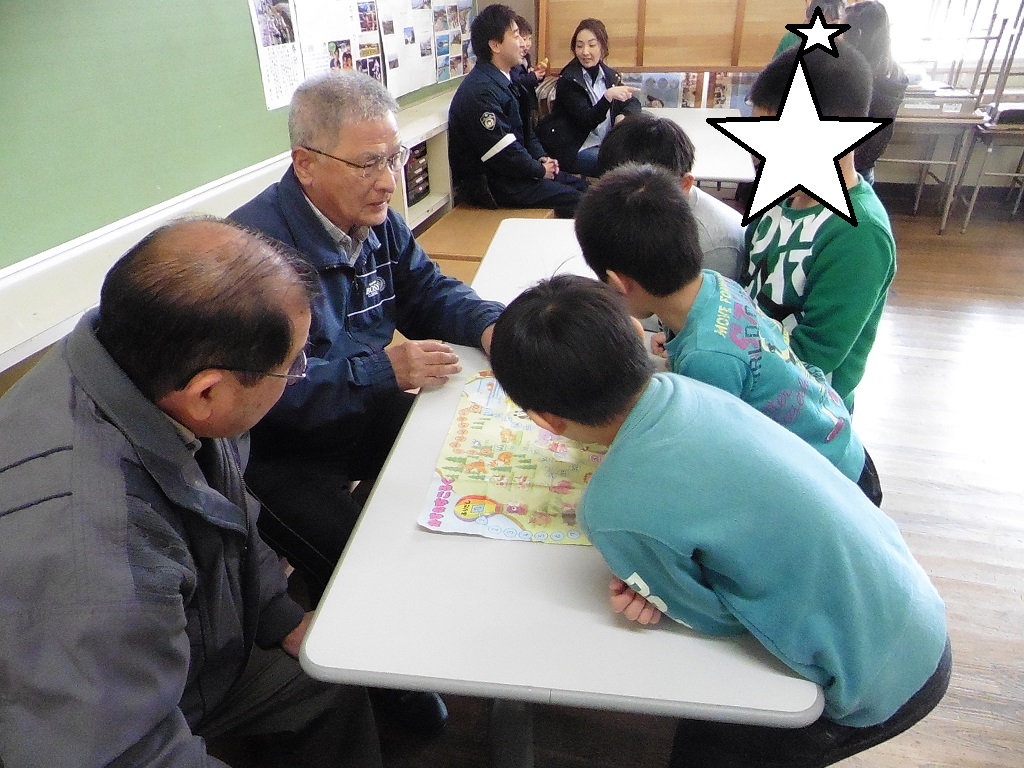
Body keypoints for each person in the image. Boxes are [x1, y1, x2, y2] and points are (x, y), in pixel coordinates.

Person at [489, 274, 950, 768]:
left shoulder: (610, 510)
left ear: (545, 420)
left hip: (877, 684)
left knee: (710, 749)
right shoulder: (687, 385)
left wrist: (660, 594)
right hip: (915, 605)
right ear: (634, 332)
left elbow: (712, 618)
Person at [0, 218, 383, 767]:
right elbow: (117, 753)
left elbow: (231, 514)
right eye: (293, 366)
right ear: (207, 393)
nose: (297, 375)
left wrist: (279, 616)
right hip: (115, 715)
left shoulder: (145, 362)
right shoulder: (86, 547)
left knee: (328, 683)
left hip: (191, 656)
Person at [231, 71, 503, 735]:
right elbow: (266, 392)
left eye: (395, 156)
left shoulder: (375, 221)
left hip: (359, 404)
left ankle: (448, 614)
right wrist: (381, 370)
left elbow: (429, 292)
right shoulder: (253, 257)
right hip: (277, 449)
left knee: (461, 461)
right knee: (359, 559)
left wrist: (495, 327)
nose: (389, 180)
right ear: (305, 163)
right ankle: (384, 682)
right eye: (369, 163)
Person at [575, 163, 882, 504]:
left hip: (834, 485)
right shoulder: (717, 284)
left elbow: (708, 468)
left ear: (618, 282)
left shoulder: (707, 359)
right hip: (838, 442)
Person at [745, 43, 896, 413]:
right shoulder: (779, 199)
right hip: (749, 387)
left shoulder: (858, 233)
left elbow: (814, 356)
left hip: (806, 415)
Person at [447, 4, 589, 217]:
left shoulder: (507, 79)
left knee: (586, 190)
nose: (523, 43)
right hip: (493, 186)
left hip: (516, 175)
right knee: (581, 202)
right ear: (495, 45)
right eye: (515, 36)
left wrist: (541, 158)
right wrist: (539, 170)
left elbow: (527, 132)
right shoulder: (480, 91)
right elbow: (504, 153)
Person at [597, 112, 747, 282]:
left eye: (638, 192)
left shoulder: (713, 247)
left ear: (684, 185)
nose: (620, 202)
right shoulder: (624, 206)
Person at [536, 18, 642, 177]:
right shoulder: (569, 79)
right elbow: (587, 120)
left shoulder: (609, 75)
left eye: (592, 45)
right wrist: (607, 97)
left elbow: (633, 102)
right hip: (576, 148)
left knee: (641, 158)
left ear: (602, 47)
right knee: (622, 167)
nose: (585, 52)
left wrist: (623, 115)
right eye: (579, 46)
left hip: (605, 143)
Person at [843, 0, 908, 184]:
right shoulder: (895, 73)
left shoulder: (854, 76)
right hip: (865, 167)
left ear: (857, 34)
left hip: (845, 169)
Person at [510, 14, 546, 132]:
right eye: (524, 39)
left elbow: (528, 77)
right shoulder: (513, 61)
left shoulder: (527, 57)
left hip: (531, 102)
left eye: (530, 39)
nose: (527, 43)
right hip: (520, 104)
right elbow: (516, 80)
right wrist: (532, 76)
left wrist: (538, 75)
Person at [775, 0, 847, 58]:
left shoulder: (846, 45)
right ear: (809, 19)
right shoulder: (790, 40)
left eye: (834, 24)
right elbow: (774, 70)